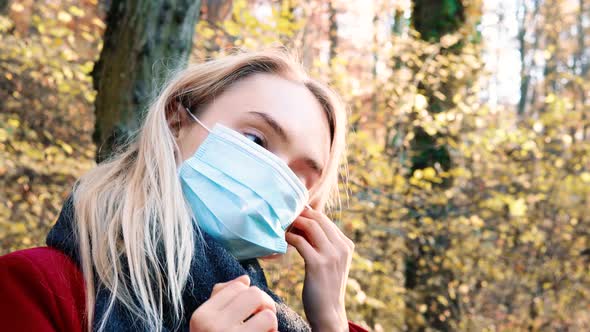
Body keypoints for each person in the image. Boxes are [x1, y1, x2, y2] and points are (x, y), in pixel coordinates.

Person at [0, 50, 367, 332]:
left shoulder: (274, 320)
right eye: (256, 139)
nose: (275, 176)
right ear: (177, 120)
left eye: (301, 176)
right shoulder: (36, 286)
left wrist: (332, 319)